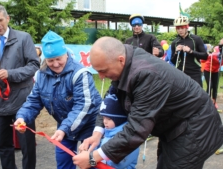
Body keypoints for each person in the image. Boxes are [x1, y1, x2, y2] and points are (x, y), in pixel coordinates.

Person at [72, 37, 223, 169]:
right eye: (97, 71)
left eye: (103, 71)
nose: (101, 77)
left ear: (120, 60)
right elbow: (111, 97)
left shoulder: (147, 75)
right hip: (175, 126)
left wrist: (94, 157)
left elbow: (137, 128)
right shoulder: (125, 62)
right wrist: (97, 133)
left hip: (195, 127)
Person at [14, 30, 102, 169]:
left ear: (66, 54)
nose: (55, 64)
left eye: (58, 59)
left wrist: (64, 129)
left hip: (89, 125)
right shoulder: (41, 75)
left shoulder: (80, 73)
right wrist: (22, 117)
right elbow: (33, 101)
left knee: (92, 164)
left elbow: (83, 106)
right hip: (65, 127)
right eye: (50, 60)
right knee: (63, 163)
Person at [0, 4, 40, 169]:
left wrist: (10, 74)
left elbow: (34, 64)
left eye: (0, 20)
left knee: (26, 144)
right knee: (4, 146)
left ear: (7, 18)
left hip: (22, 102)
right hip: (0, 102)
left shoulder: (23, 38)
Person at [97, 92, 139, 169]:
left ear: (118, 120)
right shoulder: (107, 133)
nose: (104, 122)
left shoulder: (128, 139)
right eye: (103, 118)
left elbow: (116, 164)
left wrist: (92, 160)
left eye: (109, 119)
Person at [170, 16, 208, 87]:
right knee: (182, 96)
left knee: (198, 95)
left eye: (182, 28)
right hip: (181, 73)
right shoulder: (175, 42)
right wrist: (176, 52)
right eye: (178, 28)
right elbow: (173, 61)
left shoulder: (196, 39)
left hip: (195, 73)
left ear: (187, 27)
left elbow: (205, 56)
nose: (180, 30)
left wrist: (191, 51)